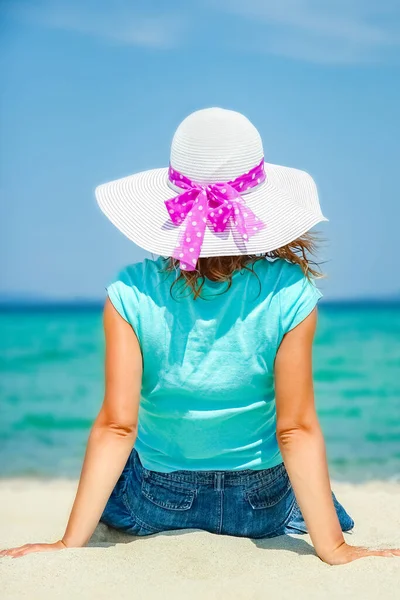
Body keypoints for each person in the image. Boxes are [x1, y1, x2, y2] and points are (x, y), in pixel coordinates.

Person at [2, 108, 399, 565]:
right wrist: (334, 548)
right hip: (260, 506)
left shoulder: (129, 292)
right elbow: (295, 429)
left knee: (122, 480)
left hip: (161, 501)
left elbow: (117, 426)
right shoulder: (291, 290)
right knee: (319, 498)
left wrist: (68, 545)